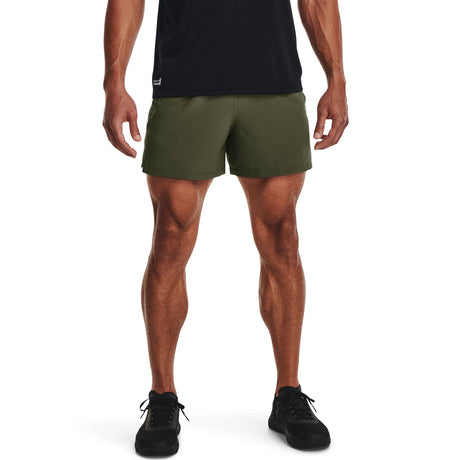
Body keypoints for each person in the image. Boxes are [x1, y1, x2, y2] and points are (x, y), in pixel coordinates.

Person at [103, 0, 348, 455]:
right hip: (184, 84)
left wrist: (336, 78)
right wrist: (114, 82)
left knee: (282, 237)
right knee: (170, 237)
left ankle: (288, 393)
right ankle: (162, 397)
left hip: (273, 82)